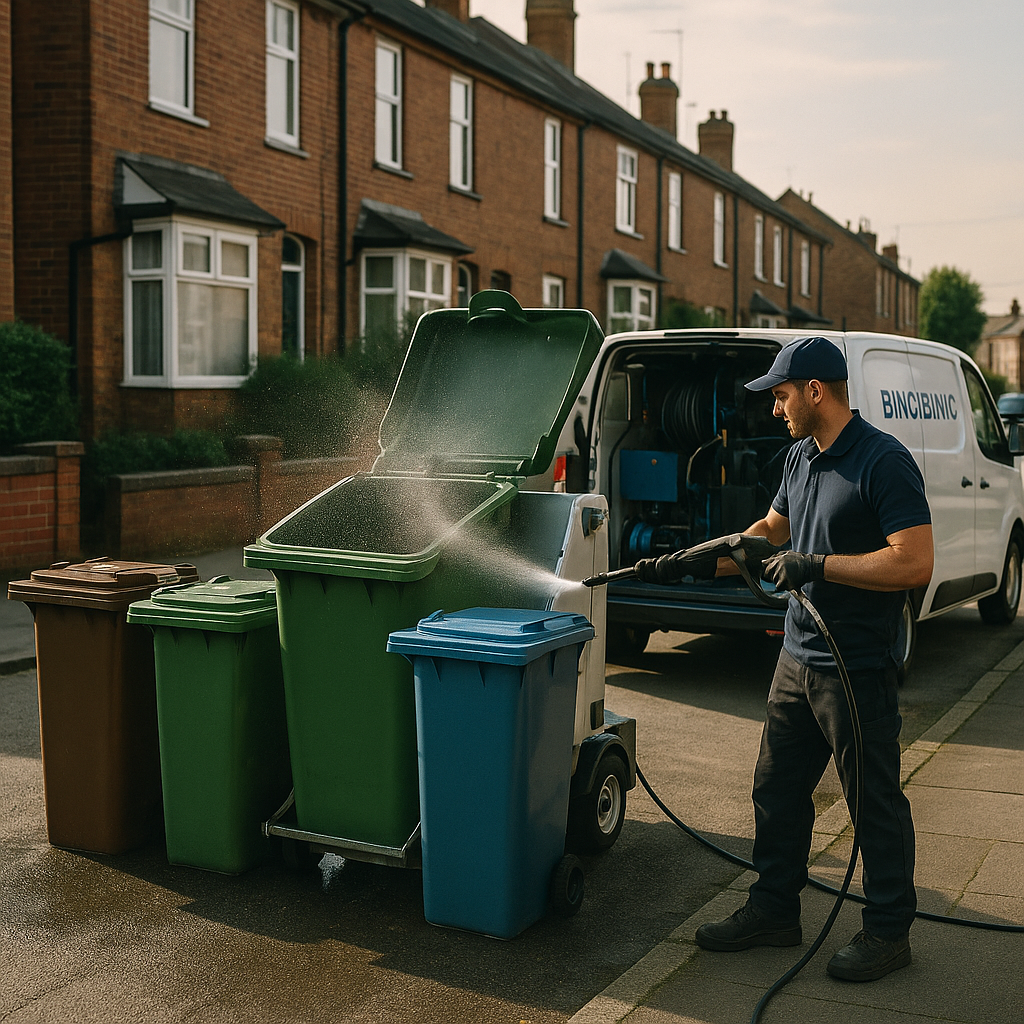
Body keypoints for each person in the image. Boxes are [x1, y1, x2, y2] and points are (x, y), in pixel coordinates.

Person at [636, 336, 933, 982]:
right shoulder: (800, 457)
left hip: (856, 666)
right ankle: (774, 910)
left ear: (816, 392)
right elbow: (770, 530)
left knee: (872, 801)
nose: (775, 408)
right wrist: (695, 557)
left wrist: (819, 564)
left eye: (781, 394)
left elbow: (914, 560)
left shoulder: (884, 463)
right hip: (796, 658)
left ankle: (887, 931)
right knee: (777, 790)